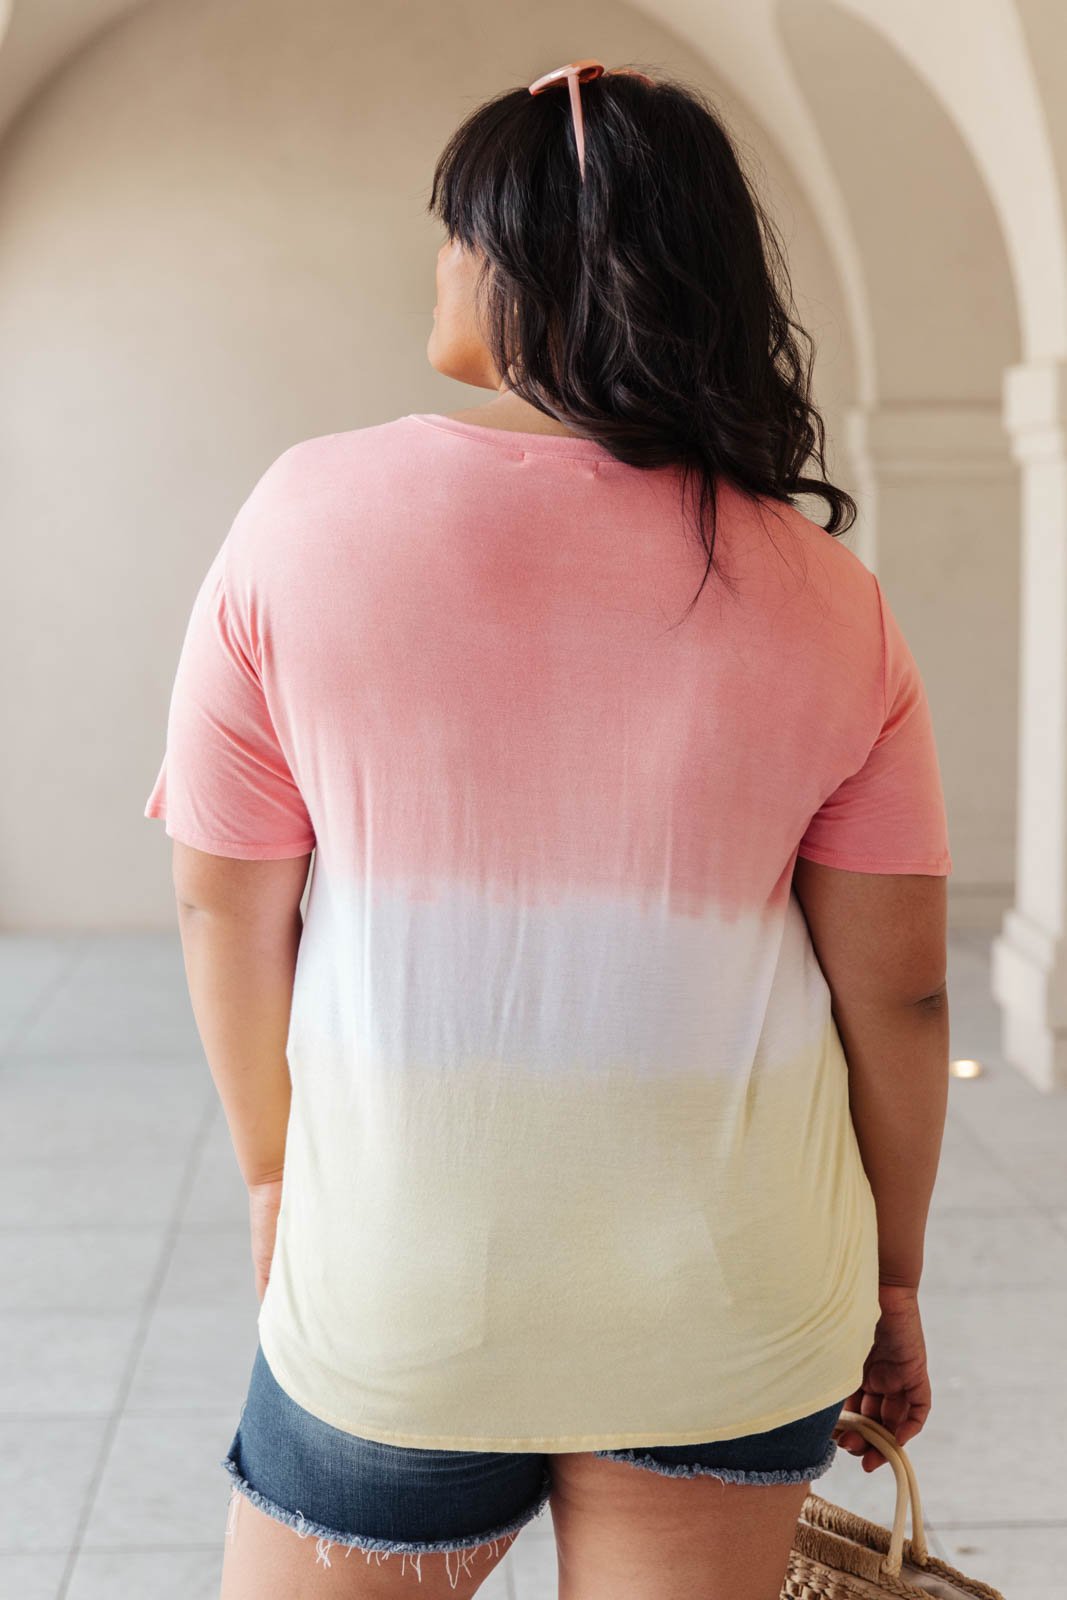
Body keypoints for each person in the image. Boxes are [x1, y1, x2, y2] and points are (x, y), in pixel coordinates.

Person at [144, 59, 951, 1600]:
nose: (439, 256)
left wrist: (272, 1176)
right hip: (738, 1298)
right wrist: (893, 1280)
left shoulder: (302, 520)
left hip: (399, 1276)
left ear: (525, 259)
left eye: (456, 227)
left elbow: (223, 911)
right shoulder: (831, 599)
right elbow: (897, 995)